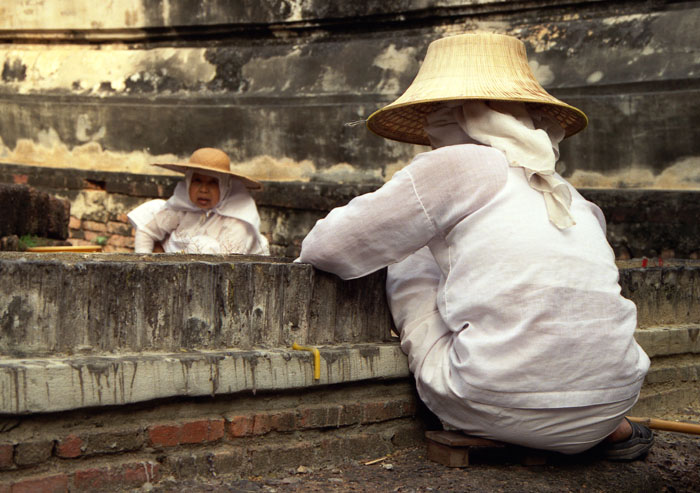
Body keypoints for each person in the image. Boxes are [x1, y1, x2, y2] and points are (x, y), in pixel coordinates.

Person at [298, 32, 653, 459]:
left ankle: (521, 413)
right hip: (613, 401)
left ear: (459, 115)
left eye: (437, 115)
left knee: (410, 248)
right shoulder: (573, 197)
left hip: (491, 400)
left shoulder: (458, 163)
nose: (430, 130)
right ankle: (602, 428)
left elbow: (327, 248)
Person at [128, 147, 269, 255]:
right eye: (197, 181)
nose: (203, 189)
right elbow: (147, 231)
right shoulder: (181, 209)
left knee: (203, 245)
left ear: (225, 186)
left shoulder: (237, 223)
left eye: (213, 183)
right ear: (188, 182)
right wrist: (144, 262)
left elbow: (229, 267)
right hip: (172, 272)